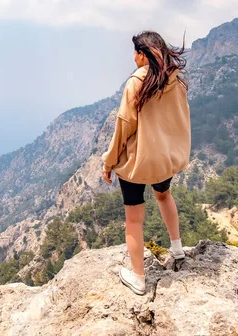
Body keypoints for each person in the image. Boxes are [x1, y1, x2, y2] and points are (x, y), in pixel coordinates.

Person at [101, 30, 191, 295]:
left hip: (137, 162)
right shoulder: (176, 81)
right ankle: (177, 250)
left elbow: (124, 126)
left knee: (134, 220)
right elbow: (180, 119)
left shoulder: (136, 82)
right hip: (165, 158)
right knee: (163, 195)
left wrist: (109, 161)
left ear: (142, 54)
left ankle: (139, 279)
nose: (133, 57)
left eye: (135, 52)